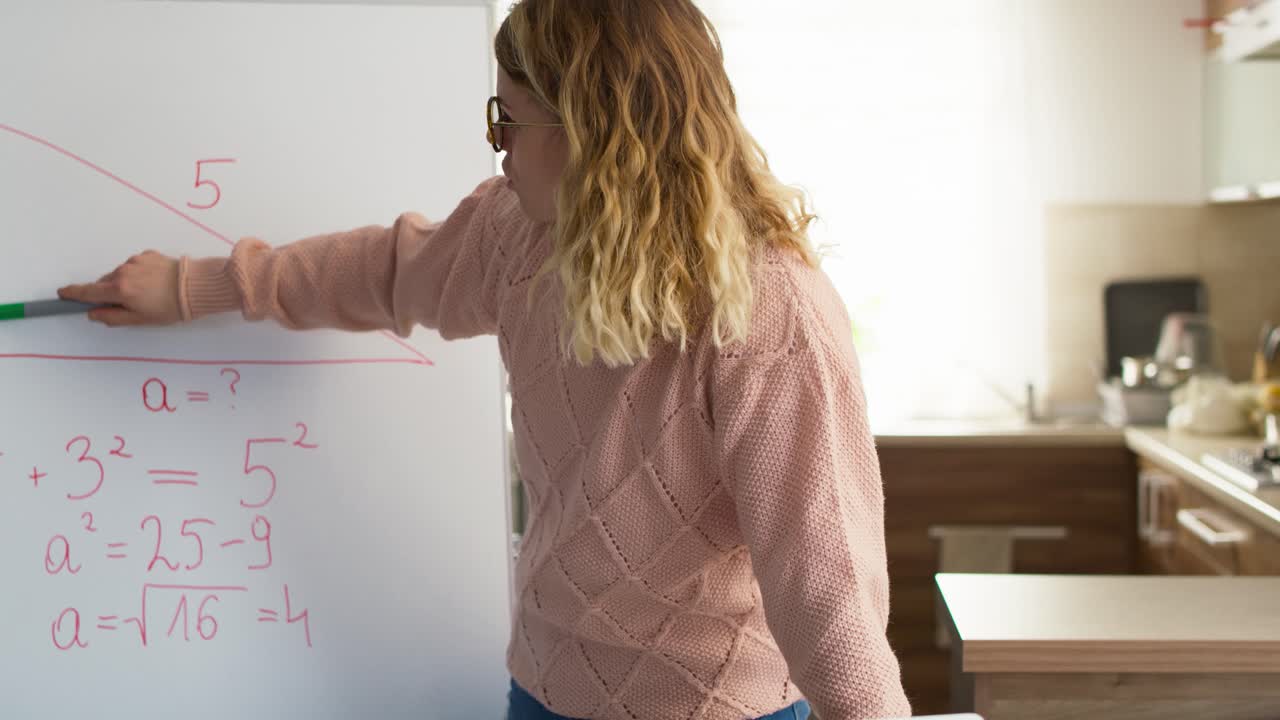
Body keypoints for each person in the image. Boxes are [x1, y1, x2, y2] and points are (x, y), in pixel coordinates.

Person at [58, 1, 912, 718]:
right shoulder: (516, 235)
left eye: (508, 117)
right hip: (541, 688)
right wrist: (191, 285)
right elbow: (384, 271)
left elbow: (825, 585)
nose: (496, 144)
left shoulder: (768, 312)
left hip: (714, 706)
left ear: (590, 132)